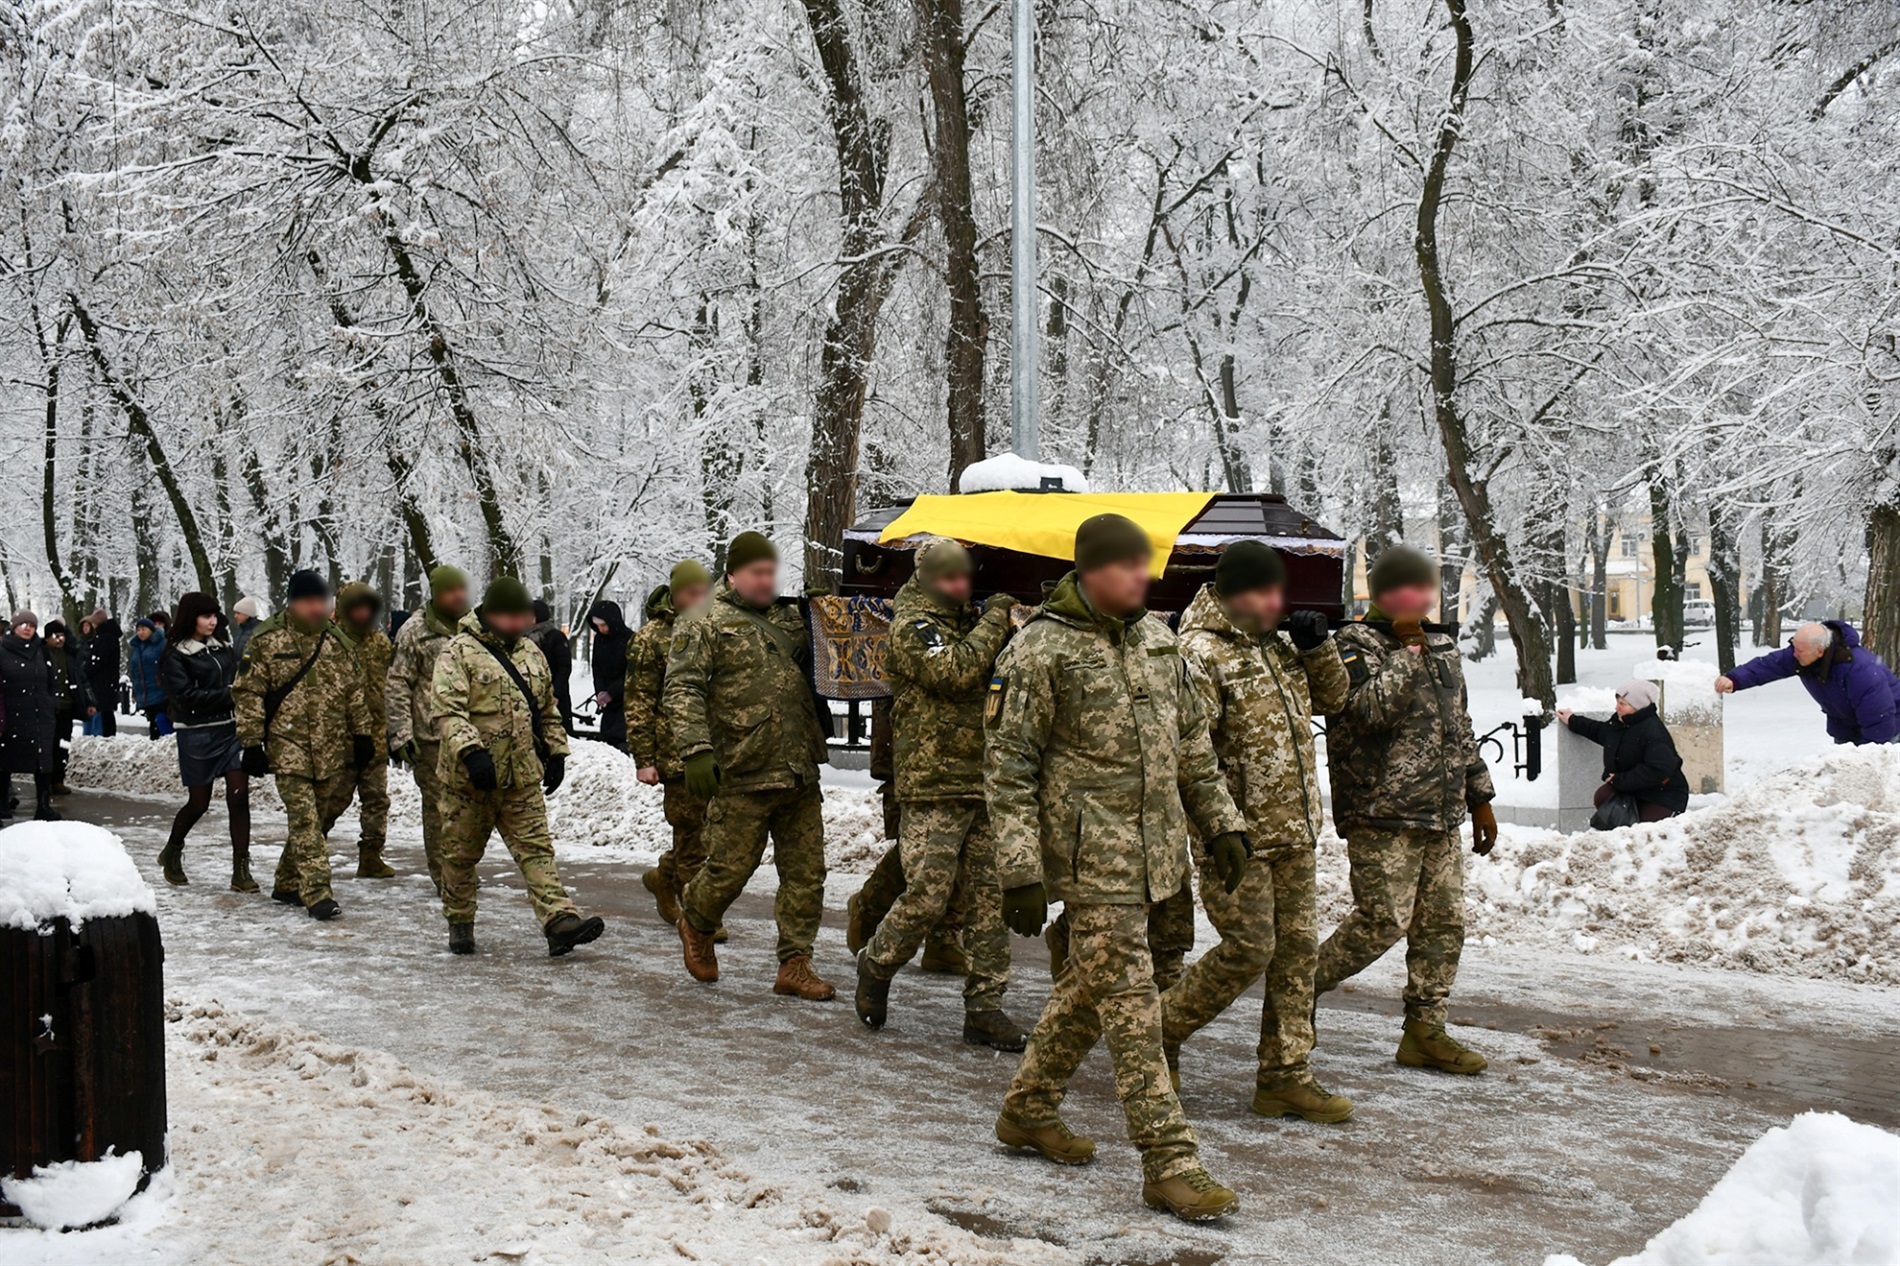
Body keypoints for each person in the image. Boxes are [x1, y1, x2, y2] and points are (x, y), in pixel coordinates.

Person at [988, 513, 1250, 1223]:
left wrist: (1222, 822)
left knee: (1086, 989)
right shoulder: (1038, 650)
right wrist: (1019, 869)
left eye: (1147, 565)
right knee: (1133, 1008)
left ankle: (1028, 1107)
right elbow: (1008, 770)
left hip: (1157, 857)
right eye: (1130, 565)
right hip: (1089, 861)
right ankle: (1170, 1163)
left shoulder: (1159, 642)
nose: (1144, 576)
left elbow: (1192, 744)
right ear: (1093, 570)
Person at [1163, 540, 1354, 1122]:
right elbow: (1188, 752)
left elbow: (1335, 699)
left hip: (1293, 830)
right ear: (1235, 593)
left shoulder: (1279, 644)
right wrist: (1218, 826)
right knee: (1250, 949)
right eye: (1268, 593)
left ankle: (1284, 1075)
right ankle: (1157, 1033)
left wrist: (1318, 649)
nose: (1279, 603)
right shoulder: (1199, 653)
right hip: (1235, 837)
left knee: (1296, 956)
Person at [1314, 545, 1497, 1075]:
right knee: (1381, 922)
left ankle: (1425, 1030)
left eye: (1426, 588)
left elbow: (1458, 726)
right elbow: (1368, 712)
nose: (1419, 598)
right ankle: (1295, 991)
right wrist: (1407, 651)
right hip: (1381, 811)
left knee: (1443, 924)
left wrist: (1479, 796)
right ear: (1382, 592)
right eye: (1408, 589)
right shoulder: (1350, 644)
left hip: (1439, 812)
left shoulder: (1442, 645)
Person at [854, 537, 1024, 1051]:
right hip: (932, 785)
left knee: (990, 902)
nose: (960, 587)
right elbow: (953, 671)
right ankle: (877, 963)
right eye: (950, 579)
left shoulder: (966, 619)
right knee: (927, 897)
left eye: (964, 578)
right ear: (928, 580)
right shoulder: (913, 625)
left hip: (983, 780)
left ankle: (985, 1008)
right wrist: (996, 618)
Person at [664, 530, 836, 1000]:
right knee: (729, 869)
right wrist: (696, 750)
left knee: (807, 873)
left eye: (770, 573)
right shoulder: (703, 621)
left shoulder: (790, 617)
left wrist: (827, 618)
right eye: (756, 573)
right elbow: (682, 689)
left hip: (798, 766)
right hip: (743, 768)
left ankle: (795, 964)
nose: (765, 581)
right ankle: (696, 920)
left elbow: (831, 664)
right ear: (733, 575)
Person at [431, 576, 605, 957]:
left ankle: (559, 921)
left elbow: (546, 709)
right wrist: (471, 752)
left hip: (521, 777)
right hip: (468, 781)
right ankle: (460, 920)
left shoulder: (531, 653)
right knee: (460, 856)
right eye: (510, 617)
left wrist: (557, 752)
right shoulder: (457, 653)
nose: (517, 625)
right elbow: (447, 711)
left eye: (521, 617)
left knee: (537, 850)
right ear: (490, 614)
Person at [233, 569, 374, 921]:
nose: (315, 608)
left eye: (320, 601)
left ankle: (285, 882)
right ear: (292, 602)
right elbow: (248, 693)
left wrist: (363, 735)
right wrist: (251, 744)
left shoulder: (337, 642)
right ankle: (317, 892)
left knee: (320, 819)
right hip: (288, 747)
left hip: (329, 749)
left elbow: (354, 693)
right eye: (308, 601)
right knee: (305, 821)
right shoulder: (266, 641)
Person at [626, 560, 713, 926]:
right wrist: (644, 759)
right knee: (692, 831)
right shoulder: (651, 638)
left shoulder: (717, 627)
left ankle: (664, 878)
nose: (698, 600)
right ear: (674, 594)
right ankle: (700, 918)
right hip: (678, 754)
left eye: (703, 593)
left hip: (720, 749)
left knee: (713, 832)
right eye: (690, 594)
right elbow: (638, 701)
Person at [155, 593, 253, 890]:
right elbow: (185, 699)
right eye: (205, 616)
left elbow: (239, 680)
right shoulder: (176, 654)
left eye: (214, 615)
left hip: (231, 732)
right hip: (196, 734)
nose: (212, 621)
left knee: (239, 797)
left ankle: (241, 871)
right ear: (190, 617)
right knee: (199, 803)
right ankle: (172, 850)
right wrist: (232, 693)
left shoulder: (223, 648)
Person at [388, 565, 471, 893]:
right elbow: (397, 683)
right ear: (436, 593)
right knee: (439, 809)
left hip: (469, 734)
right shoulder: (415, 631)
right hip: (430, 736)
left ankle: (462, 867)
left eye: (461, 589)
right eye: (451, 590)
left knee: (467, 809)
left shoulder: (474, 626)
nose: (458, 596)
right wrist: (400, 733)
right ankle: (445, 876)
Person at [1717, 620, 1899, 746]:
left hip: (1889, 725)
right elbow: (1769, 665)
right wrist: (1734, 679)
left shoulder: (1859, 670)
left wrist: (1868, 756)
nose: (1794, 654)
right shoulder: (1802, 655)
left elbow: (1879, 718)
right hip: (1848, 724)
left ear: (1820, 651)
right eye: (1793, 646)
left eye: (1799, 650)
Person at [324, 582, 397, 879]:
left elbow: (392, 686)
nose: (363, 613)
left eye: (368, 607)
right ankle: (309, 854)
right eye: (357, 607)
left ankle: (371, 856)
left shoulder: (380, 643)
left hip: (376, 737)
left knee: (377, 799)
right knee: (332, 802)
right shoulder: (328, 641)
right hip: (340, 741)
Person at [1558, 679, 1688, 825]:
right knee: (1603, 796)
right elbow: (1600, 732)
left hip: (1662, 794)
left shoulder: (1653, 731)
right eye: (1617, 702)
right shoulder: (1622, 722)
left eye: (1623, 704)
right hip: (1635, 788)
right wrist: (1572, 720)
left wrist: (1619, 780)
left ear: (1637, 707)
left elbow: (1658, 769)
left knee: (1646, 831)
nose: (1617, 707)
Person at [0, 611, 62, 822]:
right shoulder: (2, 651)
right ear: (14, 627)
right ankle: (2, 806)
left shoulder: (41, 652)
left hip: (41, 716)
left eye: (32, 625)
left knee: (43, 761)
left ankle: (43, 806)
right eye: (23, 624)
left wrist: (52, 702)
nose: (28, 628)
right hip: (12, 715)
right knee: (5, 761)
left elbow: (51, 681)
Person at [586, 599, 631, 749]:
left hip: (626, 697)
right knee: (606, 738)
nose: (601, 629)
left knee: (620, 738)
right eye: (597, 626)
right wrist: (599, 690)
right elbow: (596, 667)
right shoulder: (600, 639)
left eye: (603, 625)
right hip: (607, 699)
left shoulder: (630, 640)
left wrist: (612, 692)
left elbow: (632, 672)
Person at [42, 620, 79, 796]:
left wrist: (88, 702)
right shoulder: (41, 655)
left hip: (66, 708)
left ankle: (59, 779)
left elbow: (80, 679)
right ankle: (46, 780)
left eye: (62, 636)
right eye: (55, 636)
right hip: (48, 709)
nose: (59, 640)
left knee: (63, 745)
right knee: (47, 746)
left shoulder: (69, 655)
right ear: (47, 638)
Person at [527, 600, 574, 734]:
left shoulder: (556, 637)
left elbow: (564, 668)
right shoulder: (523, 637)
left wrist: (556, 693)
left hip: (555, 696)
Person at [127, 616, 171, 738]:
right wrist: (135, 691)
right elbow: (134, 671)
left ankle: (167, 744)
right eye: (138, 630)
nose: (140, 632)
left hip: (160, 691)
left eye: (143, 629)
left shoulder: (162, 644)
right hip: (146, 692)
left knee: (161, 720)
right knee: (153, 721)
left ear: (151, 630)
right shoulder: (137, 647)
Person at [80, 607, 121, 738]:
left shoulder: (105, 638)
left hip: (102, 683)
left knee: (102, 714)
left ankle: (103, 738)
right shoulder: (108, 637)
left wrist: (86, 671)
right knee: (105, 713)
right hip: (105, 683)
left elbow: (100, 660)